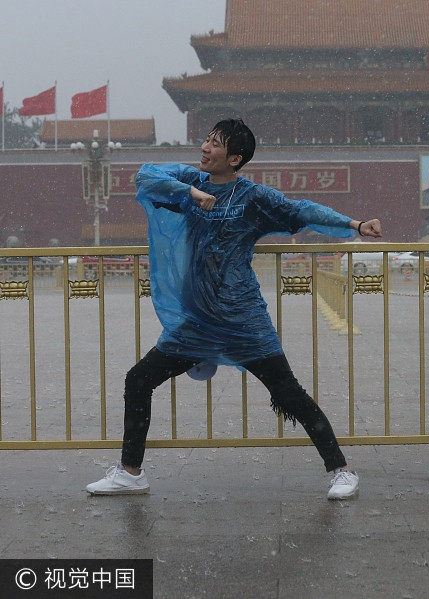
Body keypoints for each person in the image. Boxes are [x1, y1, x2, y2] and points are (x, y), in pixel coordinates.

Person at [86, 118, 382, 500]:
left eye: (215, 144)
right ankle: (130, 473)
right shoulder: (191, 182)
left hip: (242, 320)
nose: (205, 148)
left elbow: (301, 210)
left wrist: (354, 224)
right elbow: (146, 177)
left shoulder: (252, 197)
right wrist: (190, 192)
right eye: (206, 140)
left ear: (236, 158)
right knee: (138, 380)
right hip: (195, 323)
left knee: (288, 393)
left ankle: (341, 471)